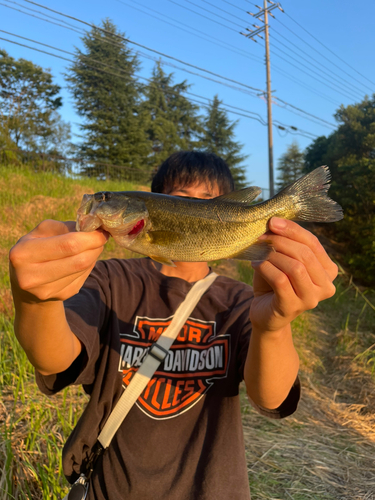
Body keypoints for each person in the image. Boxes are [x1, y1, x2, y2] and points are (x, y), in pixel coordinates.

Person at [9, 151, 337, 499]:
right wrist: (36, 300)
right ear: (157, 200)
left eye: (207, 201)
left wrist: (273, 325)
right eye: (182, 199)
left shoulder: (241, 301)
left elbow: (272, 399)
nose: (99, 204)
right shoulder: (108, 280)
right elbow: (55, 360)